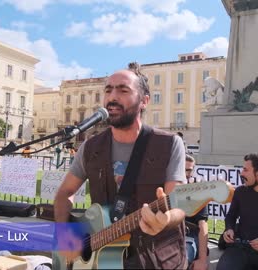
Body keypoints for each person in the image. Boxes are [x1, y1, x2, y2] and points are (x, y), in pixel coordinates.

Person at [54, 62, 187, 269]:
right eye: (108, 90)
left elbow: (179, 204)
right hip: (101, 258)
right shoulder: (91, 147)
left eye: (123, 90)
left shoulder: (168, 144)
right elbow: (65, 192)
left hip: (155, 259)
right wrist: (65, 234)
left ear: (144, 101)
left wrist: (167, 218)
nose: (112, 97)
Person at [184, 154, 208, 270]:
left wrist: (202, 260)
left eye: (189, 170)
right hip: (165, 238)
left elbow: (202, 225)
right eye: (181, 169)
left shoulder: (198, 193)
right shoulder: (164, 188)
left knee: (180, 260)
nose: (185, 174)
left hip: (188, 238)